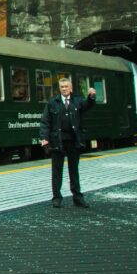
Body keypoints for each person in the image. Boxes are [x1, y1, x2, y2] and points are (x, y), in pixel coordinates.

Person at [39, 77, 96, 208]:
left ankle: (77, 197)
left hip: (74, 141)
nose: (64, 89)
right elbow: (45, 121)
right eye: (62, 87)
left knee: (73, 170)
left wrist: (91, 97)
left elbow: (87, 105)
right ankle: (56, 197)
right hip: (57, 141)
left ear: (71, 88)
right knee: (57, 171)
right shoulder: (53, 102)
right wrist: (44, 137)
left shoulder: (78, 101)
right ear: (59, 89)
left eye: (66, 86)